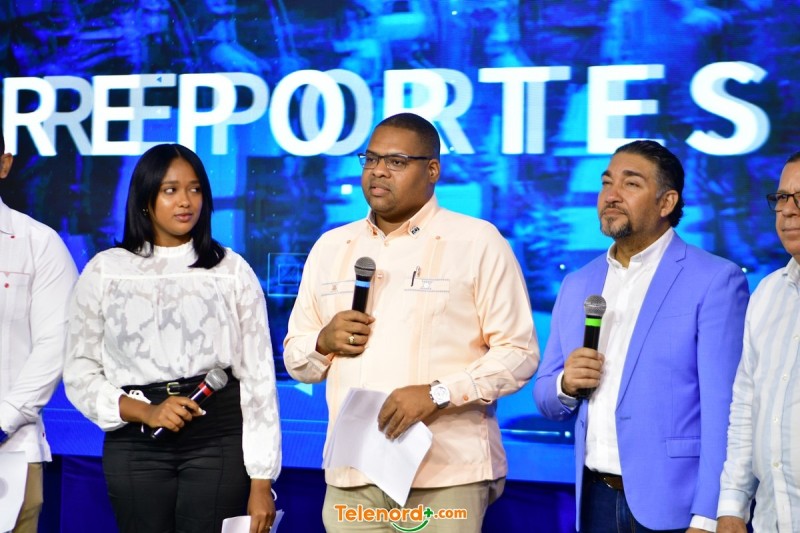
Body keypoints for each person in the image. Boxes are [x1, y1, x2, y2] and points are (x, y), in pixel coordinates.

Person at [283, 112, 539, 532]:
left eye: (396, 162)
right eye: (370, 159)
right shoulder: (332, 247)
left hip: (444, 473)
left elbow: (519, 353)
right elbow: (297, 360)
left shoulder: (477, 242)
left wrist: (438, 393)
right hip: (354, 474)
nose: (378, 171)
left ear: (432, 170)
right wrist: (323, 341)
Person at [63, 144, 280, 533]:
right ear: (145, 199)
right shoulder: (105, 271)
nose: (186, 201)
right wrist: (145, 411)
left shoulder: (231, 270)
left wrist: (262, 481)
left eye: (195, 189)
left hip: (217, 437)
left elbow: (259, 378)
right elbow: (79, 371)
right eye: (171, 190)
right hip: (136, 441)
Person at [533, 140, 749, 532]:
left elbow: (725, 409)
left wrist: (709, 513)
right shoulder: (578, 283)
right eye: (606, 183)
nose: (611, 195)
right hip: (594, 498)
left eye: (630, 184)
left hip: (677, 505)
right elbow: (546, 397)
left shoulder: (715, 279)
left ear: (667, 202)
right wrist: (566, 384)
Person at [717, 151, 800, 533]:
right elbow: (746, 407)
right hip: (771, 519)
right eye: (781, 197)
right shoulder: (768, 294)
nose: (788, 210)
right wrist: (732, 505)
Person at [0, 127, 78, 532]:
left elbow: (56, 344)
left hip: (10, 450)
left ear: (4, 165)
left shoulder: (38, 244)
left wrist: (3, 420)